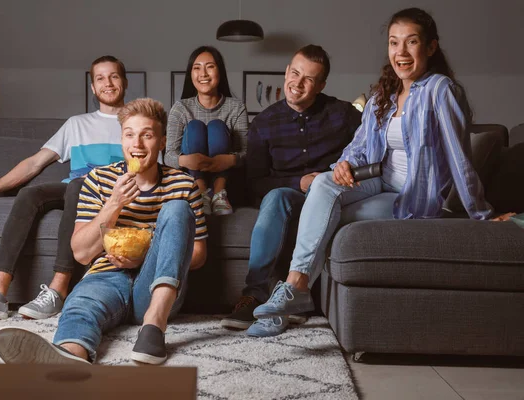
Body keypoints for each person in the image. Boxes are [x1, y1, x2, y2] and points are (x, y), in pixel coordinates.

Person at [251, 8, 494, 335]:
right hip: (379, 180)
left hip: (412, 197)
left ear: (431, 47)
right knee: (323, 185)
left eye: (411, 42)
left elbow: (459, 155)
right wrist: (344, 164)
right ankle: (297, 287)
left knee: (324, 213)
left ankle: (293, 294)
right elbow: (360, 143)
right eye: (394, 43)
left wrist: (481, 213)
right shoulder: (386, 93)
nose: (401, 52)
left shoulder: (441, 90)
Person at [0, 98, 207, 365]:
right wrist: (113, 204)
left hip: (157, 288)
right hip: (107, 277)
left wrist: (145, 251)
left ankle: (153, 326)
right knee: (80, 307)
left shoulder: (182, 183)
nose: (137, 144)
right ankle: (68, 358)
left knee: (177, 209)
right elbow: (81, 254)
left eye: (147, 135)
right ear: (122, 139)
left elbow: (198, 254)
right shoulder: (100, 180)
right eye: (129, 135)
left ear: (161, 142)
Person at [0, 55, 128, 320]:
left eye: (114, 76)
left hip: (109, 193)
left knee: (77, 186)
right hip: (76, 189)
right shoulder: (77, 124)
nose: (108, 83)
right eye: (100, 78)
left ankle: (58, 290)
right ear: (93, 87)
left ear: (124, 82)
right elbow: (35, 163)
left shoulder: (136, 123)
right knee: (30, 194)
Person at [220, 45, 362, 336]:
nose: (297, 83)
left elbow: (368, 149)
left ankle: (294, 297)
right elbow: (255, 183)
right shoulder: (264, 122)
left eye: (308, 79)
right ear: (286, 72)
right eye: (294, 73)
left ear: (321, 85)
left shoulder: (344, 114)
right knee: (274, 196)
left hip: (336, 194)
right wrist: (299, 183)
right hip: (292, 196)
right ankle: (254, 294)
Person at [165, 46, 248, 215]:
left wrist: (230, 160)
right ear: (191, 74)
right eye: (197, 68)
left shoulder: (236, 107)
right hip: (192, 178)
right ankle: (201, 193)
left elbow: (247, 153)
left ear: (220, 71)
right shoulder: (180, 108)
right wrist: (187, 161)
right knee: (195, 127)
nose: (203, 74)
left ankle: (218, 194)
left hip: (228, 180)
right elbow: (168, 156)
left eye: (210, 66)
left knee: (216, 126)